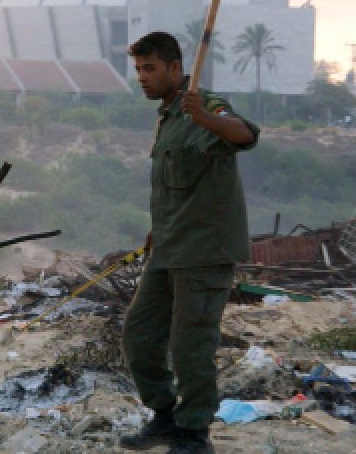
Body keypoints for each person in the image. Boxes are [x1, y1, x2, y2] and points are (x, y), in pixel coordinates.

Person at [121, 32, 259, 454]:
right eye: (139, 69)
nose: (143, 77)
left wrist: (207, 119)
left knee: (191, 346)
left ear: (176, 68)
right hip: (168, 247)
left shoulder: (203, 107)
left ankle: (195, 434)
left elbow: (246, 135)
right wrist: (157, 227)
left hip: (204, 251)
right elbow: (176, 185)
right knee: (139, 336)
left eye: (151, 68)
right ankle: (165, 418)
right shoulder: (168, 117)